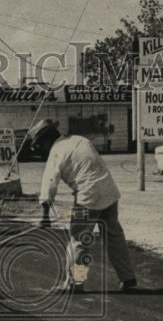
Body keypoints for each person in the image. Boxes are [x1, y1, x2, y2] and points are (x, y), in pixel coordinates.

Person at [30, 119, 138, 293]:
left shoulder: (56, 151)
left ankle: (74, 283)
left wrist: (45, 216)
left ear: (46, 139)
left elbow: (49, 185)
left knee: (79, 240)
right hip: (109, 191)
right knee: (114, 237)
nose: (41, 149)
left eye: (40, 145)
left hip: (88, 197)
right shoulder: (79, 140)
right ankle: (128, 278)